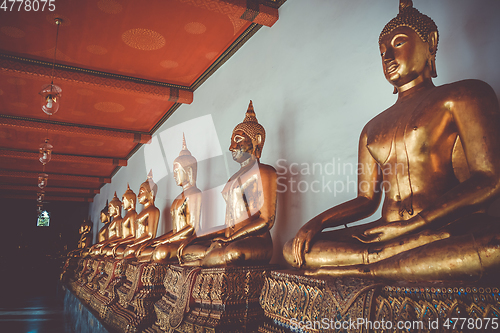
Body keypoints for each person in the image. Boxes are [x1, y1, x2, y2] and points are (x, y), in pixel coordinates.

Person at [283, 0, 500, 281]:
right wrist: (316, 223)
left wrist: (415, 225)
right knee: (294, 248)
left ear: (430, 44)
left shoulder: (463, 95)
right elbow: (365, 200)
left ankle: (363, 269)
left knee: (494, 244)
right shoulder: (372, 128)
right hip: (385, 233)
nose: (387, 55)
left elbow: (489, 179)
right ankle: (387, 262)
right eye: (382, 50)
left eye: (398, 43)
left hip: (442, 227)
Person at [180, 101, 278, 267]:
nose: (232, 147)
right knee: (188, 249)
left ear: (257, 140)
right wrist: (199, 236)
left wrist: (231, 238)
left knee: (232, 253)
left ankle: (207, 257)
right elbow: (229, 224)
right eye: (232, 141)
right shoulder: (232, 179)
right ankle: (208, 256)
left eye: (238, 140)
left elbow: (266, 221)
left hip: (253, 242)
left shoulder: (265, 172)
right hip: (229, 240)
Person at [134, 135, 202, 263]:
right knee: (149, 249)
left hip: (189, 239)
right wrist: (157, 240)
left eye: (177, 171)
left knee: (160, 252)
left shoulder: (194, 193)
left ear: (187, 171)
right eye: (174, 172)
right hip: (177, 238)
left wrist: (166, 240)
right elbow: (176, 229)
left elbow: (192, 227)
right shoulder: (177, 198)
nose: (174, 175)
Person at [122, 171, 160, 260]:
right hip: (137, 244)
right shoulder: (140, 213)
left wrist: (135, 244)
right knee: (127, 251)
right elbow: (136, 235)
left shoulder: (153, 210)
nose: (138, 196)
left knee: (129, 252)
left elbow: (150, 235)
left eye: (141, 192)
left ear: (151, 194)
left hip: (144, 245)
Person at [108, 184, 137, 258]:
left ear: (131, 201)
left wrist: (119, 243)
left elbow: (134, 235)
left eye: (124, 200)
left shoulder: (133, 214)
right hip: (122, 244)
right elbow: (120, 236)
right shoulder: (126, 216)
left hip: (129, 244)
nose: (122, 203)